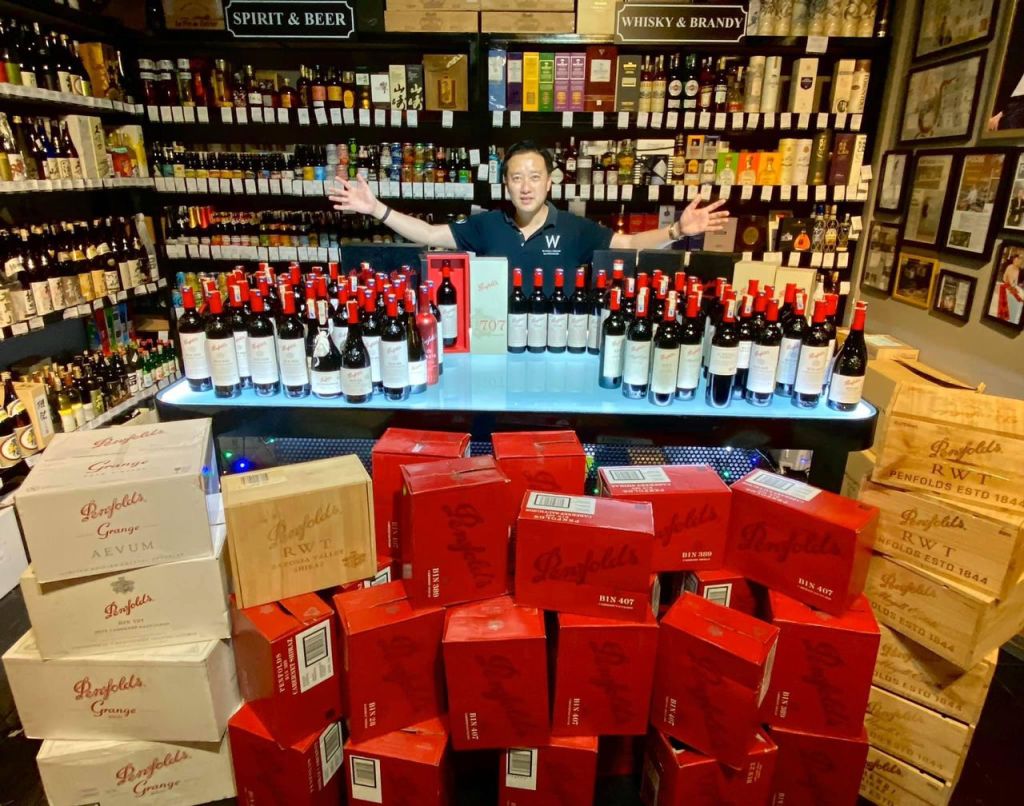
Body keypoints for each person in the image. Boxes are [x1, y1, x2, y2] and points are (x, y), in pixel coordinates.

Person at [328, 140, 730, 287]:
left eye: (534, 177)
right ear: (505, 184)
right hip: (496, 342)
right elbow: (430, 235)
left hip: (558, 342)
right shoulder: (486, 225)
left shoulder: (574, 229)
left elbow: (628, 243)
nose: (525, 186)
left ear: (549, 183)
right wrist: (376, 208)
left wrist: (677, 230)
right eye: (517, 178)